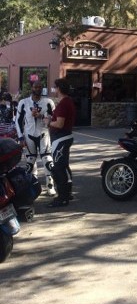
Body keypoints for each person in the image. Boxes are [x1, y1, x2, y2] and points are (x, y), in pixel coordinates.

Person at [15, 81, 56, 196]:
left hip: (43, 133)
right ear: (31, 88)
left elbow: (54, 118)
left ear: (42, 89)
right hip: (28, 135)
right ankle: (33, 184)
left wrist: (42, 117)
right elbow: (18, 121)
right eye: (35, 87)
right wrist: (20, 137)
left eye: (39, 87)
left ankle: (50, 185)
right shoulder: (23, 103)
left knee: (47, 159)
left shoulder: (48, 102)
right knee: (30, 161)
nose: (37, 89)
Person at [45, 78, 76, 207]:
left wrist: (48, 122)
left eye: (55, 87)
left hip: (60, 138)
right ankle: (67, 193)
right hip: (64, 137)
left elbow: (59, 123)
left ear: (59, 88)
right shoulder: (67, 101)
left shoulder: (63, 103)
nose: (54, 89)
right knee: (64, 166)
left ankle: (62, 197)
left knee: (58, 168)